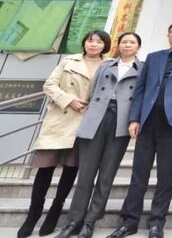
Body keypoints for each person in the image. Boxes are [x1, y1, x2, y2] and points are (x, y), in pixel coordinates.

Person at [106, 22, 172, 238]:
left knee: (165, 175)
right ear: (168, 35)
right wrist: (134, 118)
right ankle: (129, 221)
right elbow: (140, 89)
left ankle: (157, 222)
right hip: (147, 120)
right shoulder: (154, 57)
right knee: (139, 173)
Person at [17, 30, 110, 238]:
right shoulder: (69, 61)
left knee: (70, 171)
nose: (93, 44)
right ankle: (33, 214)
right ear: (84, 43)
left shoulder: (109, 65)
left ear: (105, 45)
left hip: (86, 124)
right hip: (60, 120)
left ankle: (55, 210)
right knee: (45, 170)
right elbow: (49, 85)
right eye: (90, 40)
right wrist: (69, 100)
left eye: (99, 42)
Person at [54, 32, 143, 238]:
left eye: (132, 42)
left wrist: (135, 120)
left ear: (138, 47)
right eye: (124, 41)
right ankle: (73, 221)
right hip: (97, 117)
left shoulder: (143, 69)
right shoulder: (106, 64)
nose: (127, 45)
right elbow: (93, 90)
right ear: (118, 45)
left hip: (121, 121)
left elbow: (140, 96)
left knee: (106, 175)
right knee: (85, 173)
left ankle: (90, 221)